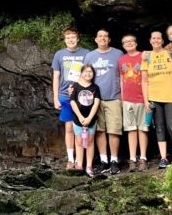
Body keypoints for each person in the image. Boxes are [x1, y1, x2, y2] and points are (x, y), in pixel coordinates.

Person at [83, 30, 124, 175]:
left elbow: (123, 75)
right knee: (99, 130)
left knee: (114, 130)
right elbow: (84, 76)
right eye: (100, 36)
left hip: (114, 97)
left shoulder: (118, 53)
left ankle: (114, 160)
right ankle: (103, 160)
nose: (103, 38)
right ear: (95, 39)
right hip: (95, 99)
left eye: (105, 36)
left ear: (109, 39)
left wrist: (123, 95)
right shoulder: (90, 56)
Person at [141, 31, 172, 169]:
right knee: (159, 128)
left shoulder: (170, 53)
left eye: (158, 38)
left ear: (163, 40)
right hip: (154, 96)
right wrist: (146, 100)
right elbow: (144, 81)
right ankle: (163, 158)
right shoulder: (147, 56)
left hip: (171, 96)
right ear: (150, 40)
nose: (156, 40)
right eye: (154, 38)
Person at [52, 27, 90, 169]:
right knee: (69, 127)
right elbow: (56, 77)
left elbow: (90, 74)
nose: (71, 40)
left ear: (78, 39)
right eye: (68, 38)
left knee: (82, 127)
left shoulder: (86, 54)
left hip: (82, 95)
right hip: (64, 95)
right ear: (64, 40)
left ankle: (81, 160)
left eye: (73, 37)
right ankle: (70, 159)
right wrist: (55, 97)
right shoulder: (59, 54)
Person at [117, 33, 148, 171]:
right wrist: (122, 98)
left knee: (143, 128)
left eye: (131, 41)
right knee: (131, 129)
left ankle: (143, 158)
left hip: (142, 98)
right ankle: (132, 158)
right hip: (127, 99)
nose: (129, 43)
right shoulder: (121, 59)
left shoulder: (143, 56)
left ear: (136, 43)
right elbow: (121, 79)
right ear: (123, 46)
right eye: (126, 42)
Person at [69, 64, 101, 177]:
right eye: (86, 71)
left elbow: (96, 103)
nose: (88, 74)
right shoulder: (75, 86)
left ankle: (89, 166)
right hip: (78, 119)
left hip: (91, 119)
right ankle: (79, 166)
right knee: (78, 142)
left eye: (90, 72)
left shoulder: (95, 88)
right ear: (81, 73)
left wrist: (89, 118)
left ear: (93, 74)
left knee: (90, 142)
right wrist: (80, 117)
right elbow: (72, 101)